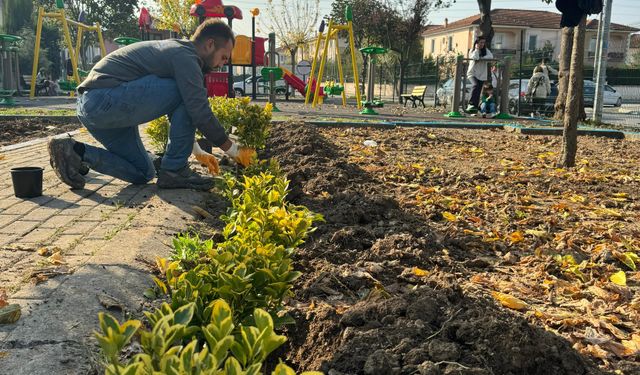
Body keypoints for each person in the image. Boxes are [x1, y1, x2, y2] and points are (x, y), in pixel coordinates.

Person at [48, 19, 255, 191]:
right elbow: (197, 109)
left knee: (142, 172)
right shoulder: (185, 57)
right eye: (223, 57)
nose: (222, 64)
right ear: (210, 44)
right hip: (101, 98)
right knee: (187, 94)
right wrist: (234, 151)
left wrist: (197, 151)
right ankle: (174, 171)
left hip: (98, 109)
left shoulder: (181, 55)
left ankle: (74, 151)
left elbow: (183, 110)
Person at [466, 36, 493, 113]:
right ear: (476, 43)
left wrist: (482, 58)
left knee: (478, 90)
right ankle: (470, 104)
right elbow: (475, 57)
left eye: (483, 43)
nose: (482, 44)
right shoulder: (472, 50)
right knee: (475, 85)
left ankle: (474, 107)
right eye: (481, 42)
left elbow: (491, 56)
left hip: (481, 74)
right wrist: (477, 50)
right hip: (472, 73)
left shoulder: (486, 50)